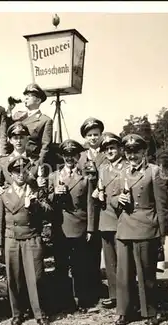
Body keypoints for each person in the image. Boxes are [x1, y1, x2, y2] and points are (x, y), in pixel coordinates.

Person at [110, 134, 168, 325]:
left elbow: (163, 205)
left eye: (136, 151)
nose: (132, 155)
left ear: (144, 151)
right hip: (125, 227)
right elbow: (111, 199)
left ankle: (151, 311)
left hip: (146, 227)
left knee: (146, 274)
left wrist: (162, 233)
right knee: (123, 275)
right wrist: (117, 200)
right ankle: (124, 312)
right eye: (128, 152)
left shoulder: (154, 172)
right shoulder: (121, 173)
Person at [0, 156, 51, 325]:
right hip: (12, 239)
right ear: (11, 174)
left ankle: (40, 313)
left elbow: (48, 211)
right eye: (16, 171)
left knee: (36, 277)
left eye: (24, 170)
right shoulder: (3, 193)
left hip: (32, 238)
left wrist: (33, 205)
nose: (20, 174)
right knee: (14, 277)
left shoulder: (35, 190)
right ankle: (17, 313)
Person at [48, 139, 97, 313]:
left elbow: (91, 204)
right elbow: (46, 202)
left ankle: (82, 300)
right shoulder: (54, 176)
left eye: (73, 155)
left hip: (80, 226)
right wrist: (54, 194)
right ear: (62, 156)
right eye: (66, 155)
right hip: (60, 227)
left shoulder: (86, 177)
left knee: (80, 266)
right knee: (61, 266)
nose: (70, 158)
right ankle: (63, 300)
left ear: (78, 156)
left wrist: (91, 228)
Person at [92, 133, 128, 309]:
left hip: (121, 219)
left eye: (113, 148)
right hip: (106, 219)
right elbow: (100, 190)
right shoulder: (103, 169)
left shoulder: (127, 168)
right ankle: (114, 295)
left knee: (124, 262)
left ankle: (126, 296)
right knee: (110, 261)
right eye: (107, 149)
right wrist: (97, 194)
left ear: (120, 149)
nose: (110, 151)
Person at [77, 117, 109, 303]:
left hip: (104, 208)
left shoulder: (107, 154)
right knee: (87, 251)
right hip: (86, 209)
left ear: (101, 135)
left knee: (102, 247)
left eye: (96, 134)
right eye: (89, 135)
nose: (93, 138)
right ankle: (89, 288)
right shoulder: (81, 157)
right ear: (84, 137)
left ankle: (102, 286)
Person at [10, 84, 53, 167]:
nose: (25, 98)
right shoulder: (18, 116)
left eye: (29, 96)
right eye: (25, 95)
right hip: (15, 161)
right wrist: (9, 109)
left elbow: (45, 147)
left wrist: (39, 166)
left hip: (31, 162)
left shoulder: (45, 120)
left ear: (38, 100)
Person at [0, 122, 30, 191]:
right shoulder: (2, 162)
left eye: (21, 138)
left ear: (27, 139)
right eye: (15, 138)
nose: (18, 141)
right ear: (10, 140)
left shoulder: (35, 161)